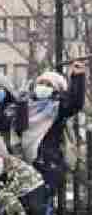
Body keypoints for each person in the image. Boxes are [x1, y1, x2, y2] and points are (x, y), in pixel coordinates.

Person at [20, 61, 87, 192]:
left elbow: (75, 103)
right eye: (41, 83)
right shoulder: (24, 106)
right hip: (23, 163)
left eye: (48, 85)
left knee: (43, 206)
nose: (43, 86)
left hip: (47, 165)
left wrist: (77, 77)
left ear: (56, 89)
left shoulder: (57, 108)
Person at [0, 73, 27, 147]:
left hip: (7, 148)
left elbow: (21, 128)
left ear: (7, 89)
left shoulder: (13, 107)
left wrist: (21, 104)